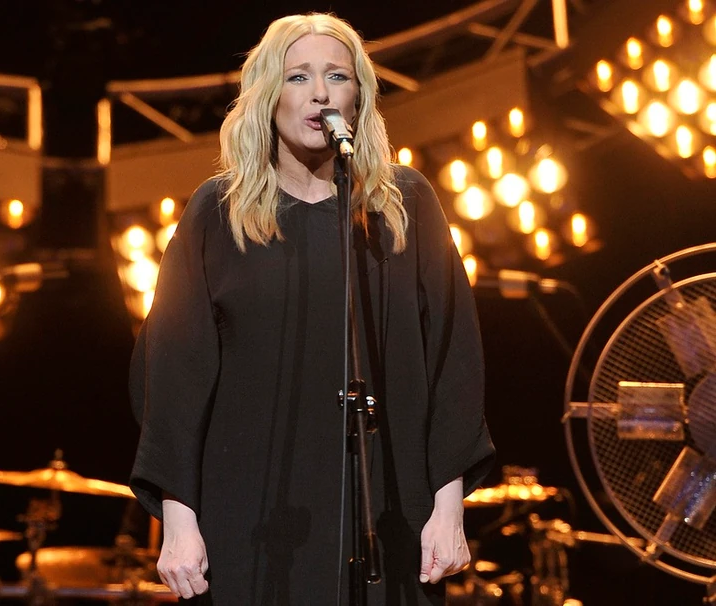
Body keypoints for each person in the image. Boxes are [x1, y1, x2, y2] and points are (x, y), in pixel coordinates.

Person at [129, 12, 495, 606]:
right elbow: (172, 375)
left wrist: (449, 507)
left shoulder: (404, 207)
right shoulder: (217, 214)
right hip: (249, 518)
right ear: (268, 95)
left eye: (337, 76)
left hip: (389, 513)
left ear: (359, 97)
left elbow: (454, 359)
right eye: (298, 76)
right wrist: (178, 520)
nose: (320, 93)